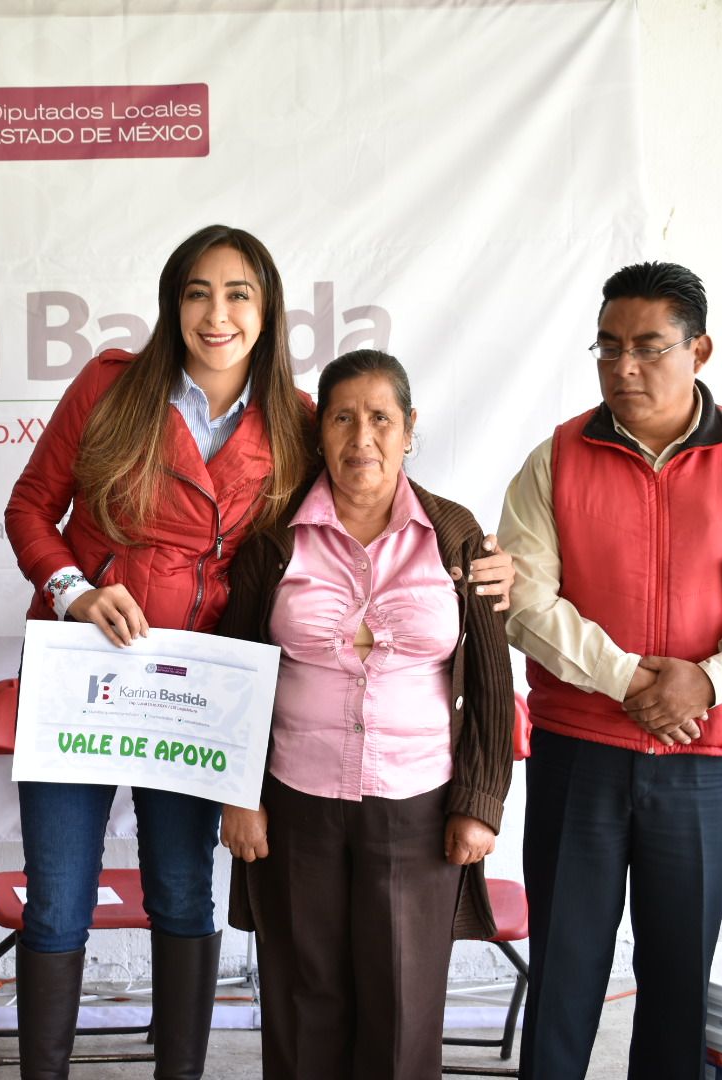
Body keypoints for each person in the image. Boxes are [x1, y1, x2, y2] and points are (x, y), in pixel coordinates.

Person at [3, 226, 514, 1080]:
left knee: (180, 892)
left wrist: (478, 554)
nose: (218, 314)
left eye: (239, 294)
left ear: (268, 310)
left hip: (201, 687)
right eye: (198, 292)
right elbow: (29, 507)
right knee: (56, 903)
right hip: (84, 670)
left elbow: (373, 489)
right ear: (173, 303)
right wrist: (74, 590)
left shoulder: (300, 419)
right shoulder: (109, 387)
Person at [497, 262, 722, 1079]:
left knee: (679, 984)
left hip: (704, 762)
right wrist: (634, 684)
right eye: (608, 348)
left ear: (699, 351)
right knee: (564, 973)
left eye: (648, 347)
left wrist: (706, 682)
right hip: (580, 753)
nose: (624, 368)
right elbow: (523, 601)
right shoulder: (556, 458)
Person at [216, 349, 517, 1079]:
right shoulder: (276, 537)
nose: (363, 438)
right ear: (319, 432)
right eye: (343, 419)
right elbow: (235, 676)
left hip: (417, 806)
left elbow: (492, 682)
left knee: (402, 1008)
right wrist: (239, 795)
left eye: (381, 418)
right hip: (297, 804)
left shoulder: (454, 534)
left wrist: (479, 803)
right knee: (304, 999)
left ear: (409, 429)